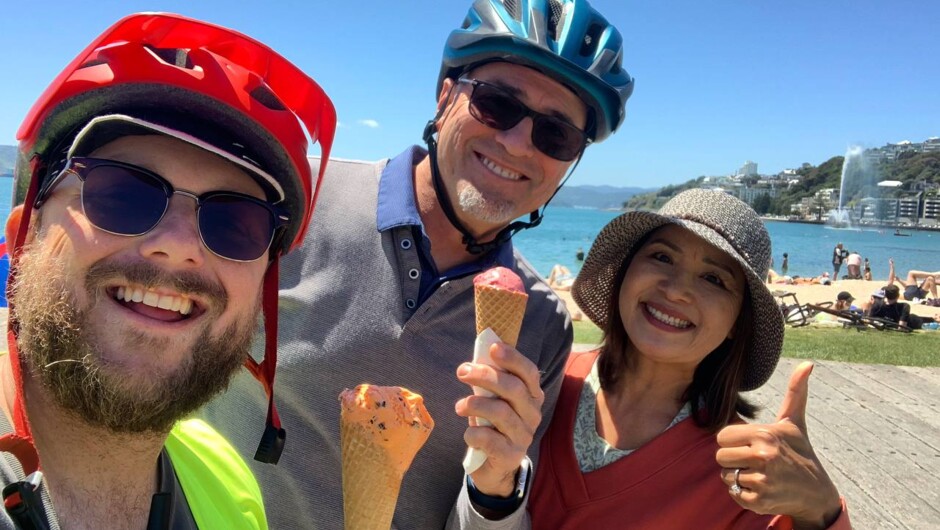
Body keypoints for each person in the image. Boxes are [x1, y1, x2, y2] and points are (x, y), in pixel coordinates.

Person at [202, 0, 635, 527]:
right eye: (497, 104)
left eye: (556, 135)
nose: (518, 143)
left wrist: (497, 489)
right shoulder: (295, 200)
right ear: (445, 97)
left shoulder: (542, 322)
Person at [0, 13, 335, 529]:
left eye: (235, 224)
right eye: (122, 194)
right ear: (25, 238)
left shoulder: (228, 481)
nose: (179, 248)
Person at [528, 189, 850, 529]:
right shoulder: (542, 379)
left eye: (713, 279)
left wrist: (821, 509)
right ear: (626, 270)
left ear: (737, 323)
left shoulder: (743, 471)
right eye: (662, 257)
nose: (675, 290)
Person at [863, 285, 937, 330]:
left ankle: (934, 318)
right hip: (915, 321)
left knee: (932, 318)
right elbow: (901, 327)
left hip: (911, 318)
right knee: (932, 320)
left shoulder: (877, 305)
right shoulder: (903, 307)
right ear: (898, 296)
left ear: (885, 295)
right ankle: (934, 318)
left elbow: (869, 321)